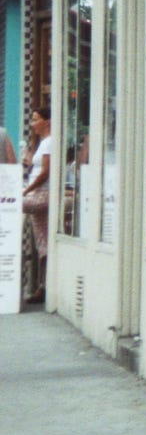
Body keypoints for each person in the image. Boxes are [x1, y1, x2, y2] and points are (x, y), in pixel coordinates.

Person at [21, 109, 52, 303]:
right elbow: (38, 169)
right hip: (36, 193)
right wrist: (28, 160)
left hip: (41, 195)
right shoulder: (42, 143)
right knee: (42, 242)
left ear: (47, 121)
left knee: (15, 204)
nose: (32, 124)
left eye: (35, 119)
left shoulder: (49, 142)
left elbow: (45, 173)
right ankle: (43, 286)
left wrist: (26, 191)